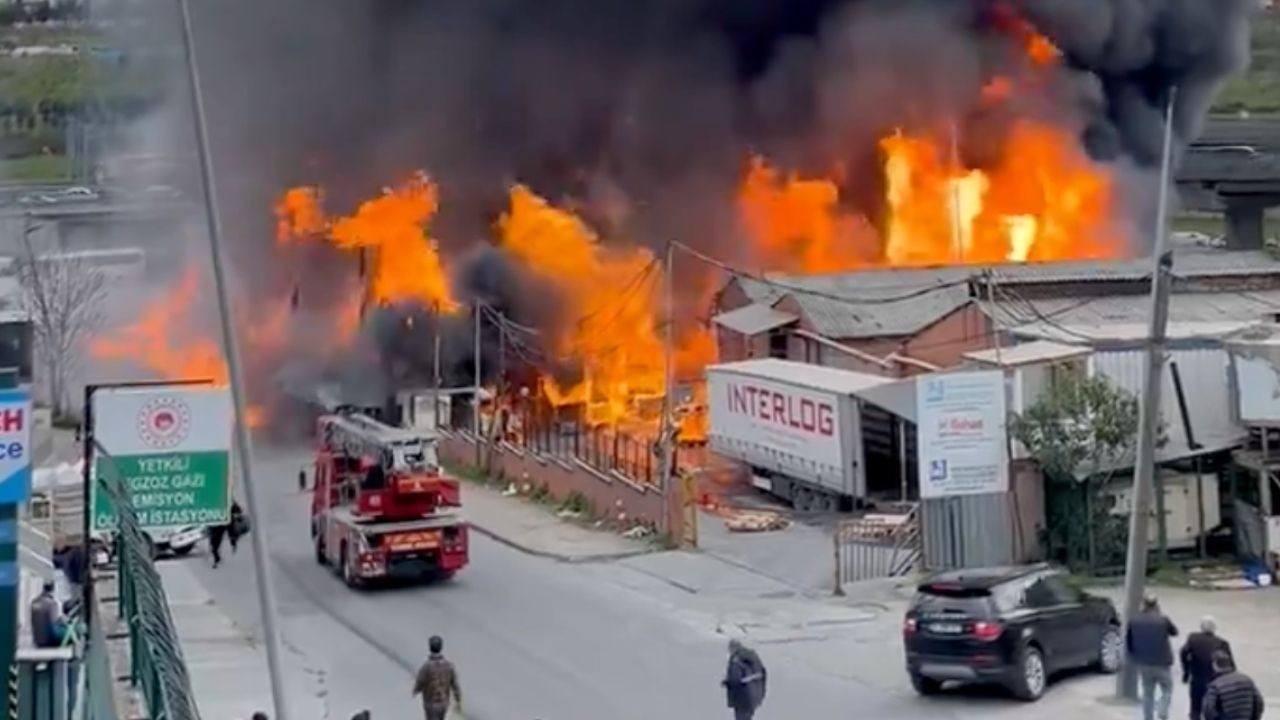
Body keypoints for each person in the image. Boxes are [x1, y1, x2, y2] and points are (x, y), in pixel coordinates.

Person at [1126, 593, 1179, 720]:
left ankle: (1148, 718)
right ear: (1156, 605)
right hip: (1162, 662)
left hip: (1144, 663)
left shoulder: (1134, 620)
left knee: (1147, 693)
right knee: (1167, 688)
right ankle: (1162, 709)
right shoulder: (1163, 620)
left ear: (1143, 605)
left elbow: (1129, 641)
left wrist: (1133, 657)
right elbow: (1175, 632)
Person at [1180, 616, 1234, 720]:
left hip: (1197, 679)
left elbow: (1183, 653)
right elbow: (1231, 666)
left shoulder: (1193, 638)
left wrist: (1186, 671)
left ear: (1201, 627)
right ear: (1214, 628)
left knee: (1195, 709)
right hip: (1216, 682)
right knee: (1214, 710)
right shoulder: (1222, 643)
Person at [1202, 650, 1264, 720]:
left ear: (1215, 665)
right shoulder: (1247, 680)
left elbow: (1208, 709)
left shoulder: (1215, 685)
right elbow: (1259, 702)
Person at [412, 635, 461, 720]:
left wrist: (415, 690)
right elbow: (455, 685)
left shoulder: (427, 666)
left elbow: (420, 682)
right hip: (444, 702)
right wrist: (458, 699)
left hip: (430, 703)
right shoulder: (449, 666)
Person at [722, 639, 767, 720]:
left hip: (741, 697)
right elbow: (762, 674)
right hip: (753, 698)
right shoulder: (752, 657)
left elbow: (735, 679)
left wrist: (727, 682)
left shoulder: (736, 659)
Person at [29, 581, 65, 649]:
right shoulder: (51, 603)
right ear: (53, 590)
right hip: (49, 641)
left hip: (37, 641)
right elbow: (54, 621)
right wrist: (63, 620)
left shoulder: (34, 602)